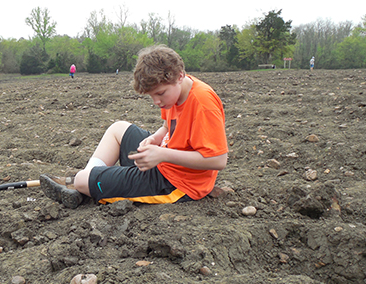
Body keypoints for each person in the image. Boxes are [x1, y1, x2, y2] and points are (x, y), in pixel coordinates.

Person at [40, 45, 228, 209]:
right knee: (118, 129)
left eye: (160, 93)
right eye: (151, 96)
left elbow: (218, 160)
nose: (156, 101)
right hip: (164, 160)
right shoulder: (177, 92)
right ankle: (86, 180)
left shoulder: (203, 103)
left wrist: (163, 154)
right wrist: (155, 138)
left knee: (81, 180)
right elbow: (167, 127)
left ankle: (82, 184)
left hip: (178, 184)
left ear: (180, 76)